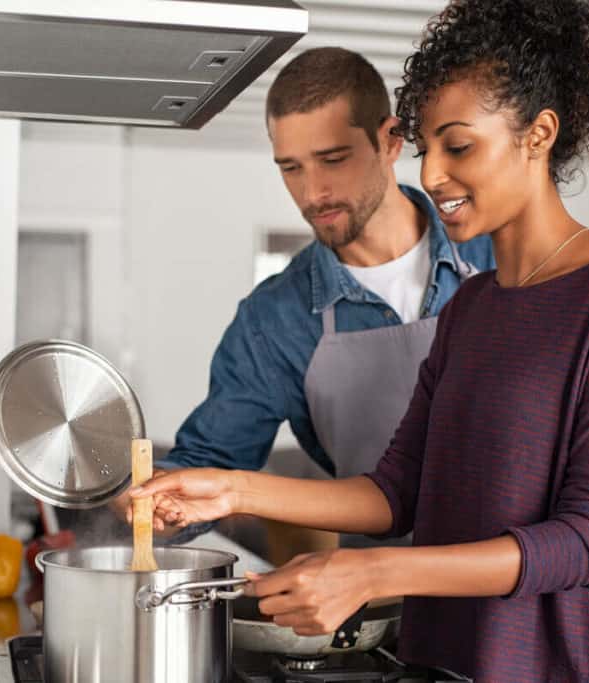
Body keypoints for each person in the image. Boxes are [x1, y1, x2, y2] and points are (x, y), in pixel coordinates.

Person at [131, 1, 589, 680]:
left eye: (458, 145)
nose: (433, 174)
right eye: (429, 145)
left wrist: (373, 570)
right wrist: (232, 491)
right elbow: (395, 491)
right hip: (464, 661)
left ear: (539, 134)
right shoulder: (471, 307)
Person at [117, 47, 493, 547]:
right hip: (372, 602)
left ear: (390, 141)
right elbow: (213, 460)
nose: (313, 192)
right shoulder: (273, 320)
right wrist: (158, 495)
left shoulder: (498, 257)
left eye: (332, 160)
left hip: (517, 590)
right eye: (290, 168)